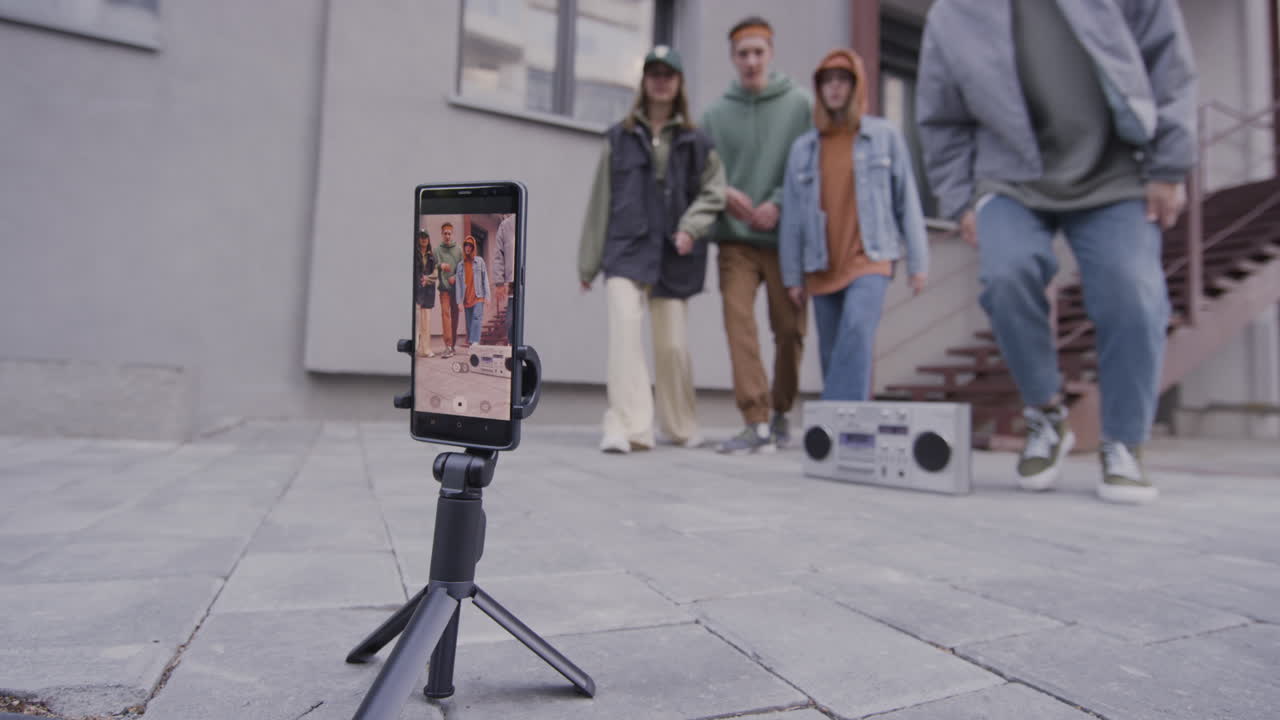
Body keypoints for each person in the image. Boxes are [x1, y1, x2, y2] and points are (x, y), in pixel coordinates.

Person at [915, 0, 1197, 504]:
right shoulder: (952, 15)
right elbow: (942, 119)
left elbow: (1168, 62)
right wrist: (961, 200)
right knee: (1006, 276)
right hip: (1011, 175)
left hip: (1117, 169)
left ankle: (1124, 441)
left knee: (1132, 293)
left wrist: (1170, 164)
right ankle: (1045, 414)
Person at [578, 45, 727, 454]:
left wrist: (691, 228)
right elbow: (600, 201)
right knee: (624, 333)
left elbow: (715, 194)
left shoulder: (698, 142)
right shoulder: (619, 137)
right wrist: (588, 263)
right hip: (626, 249)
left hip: (675, 253)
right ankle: (627, 427)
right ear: (644, 82)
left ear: (678, 83)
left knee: (673, 346)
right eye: (654, 73)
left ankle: (680, 425)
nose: (661, 80)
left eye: (669, 74)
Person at [779, 49, 929, 402]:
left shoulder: (883, 136)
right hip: (821, 263)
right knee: (833, 351)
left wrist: (918, 262)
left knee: (857, 332)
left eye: (842, 80)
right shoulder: (804, 149)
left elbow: (907, 199)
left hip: (871, 257)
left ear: (856, 86)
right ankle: (845, 436)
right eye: (827, 81)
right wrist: (792, 276)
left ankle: (837, 422)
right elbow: (793, 219)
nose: (834, 88)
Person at [700, 16, 813, 455]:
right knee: (738, 327)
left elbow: (811, 167)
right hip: (735, 241)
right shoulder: (714, 114)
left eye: (758, 52)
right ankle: (755, 420)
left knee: (789, 331)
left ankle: (781, 410)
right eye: (742, 54)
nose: (750, 61)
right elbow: (704, 175)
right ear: (733, 59)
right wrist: (723, 191)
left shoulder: (800, 105)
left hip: (786, 239)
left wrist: (780, 201)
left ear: (770, 54)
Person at [434, 222, 464, 358]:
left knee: (455, 316)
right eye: (444, 233)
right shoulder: (437, 250)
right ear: (442, 234)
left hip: (455, 288)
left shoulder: (458, 250)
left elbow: (463, 268)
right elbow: (432, 266)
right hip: (444, 289)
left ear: (452, 234)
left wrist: (456, 277)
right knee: (445, 315)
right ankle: (448, 346)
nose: (447, 235)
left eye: (449, 233)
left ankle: (453, 344)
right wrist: (441, 265)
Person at [454, 235, 489, 347]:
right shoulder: (460, 265)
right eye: (466, 245)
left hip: (479, 295)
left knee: (476, 317)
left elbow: (485, 278)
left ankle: (475, 342)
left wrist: (487, 296)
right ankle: (472, 342)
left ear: (474, 247)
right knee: (469, 323)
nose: (468, 248)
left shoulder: (480, 261)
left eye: (470, 245)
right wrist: (459, 301)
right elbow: (458, 285)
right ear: (464, 247)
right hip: (466, 298)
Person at [490, 213, 516, 345]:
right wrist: (499, 283)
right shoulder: (506, 226)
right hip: (513, 283)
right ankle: (512, 350)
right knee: (510, 322)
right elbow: (498, 256)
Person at [414, 228, 438, 357]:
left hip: (427, 292)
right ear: (418, 239)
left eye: (425, 237)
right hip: (416, 292)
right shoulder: (414, 253)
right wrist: (419, 280)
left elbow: (436, 273)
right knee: (416, 324)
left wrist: (427, 279)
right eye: (421, 236)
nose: (423, 239)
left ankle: (426, 350)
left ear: (428, 240)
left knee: (426, 323)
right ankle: (416, 348)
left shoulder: (432, 256)